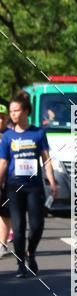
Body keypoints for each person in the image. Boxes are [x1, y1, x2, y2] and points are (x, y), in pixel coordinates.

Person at [0, 92, 57, 276]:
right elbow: (3, 163)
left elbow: (46, 159)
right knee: (17, 227)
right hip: (14, 186)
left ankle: (31, 252)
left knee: (37, 225)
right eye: (11, 111)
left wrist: (52, 181)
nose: (13, 114)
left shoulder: (38, 133)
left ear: (25, 111)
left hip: (34, 186)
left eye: (16, 110)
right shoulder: (7, 136)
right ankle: (20, 265)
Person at [0, 101, 11, 257]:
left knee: (4, 214)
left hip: (8, 180)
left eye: (2, 117)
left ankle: (2, 244)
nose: (0, 120)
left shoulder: (11, 135)